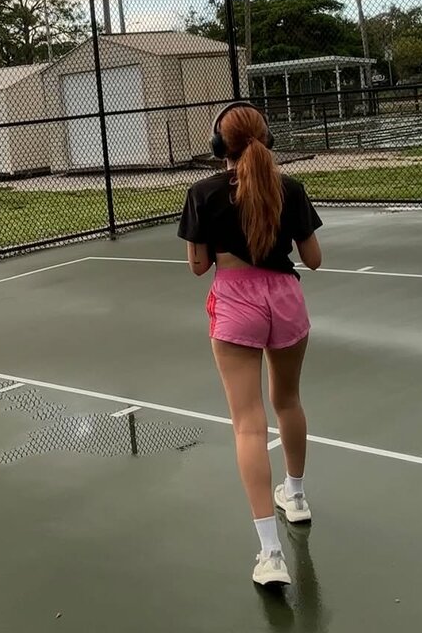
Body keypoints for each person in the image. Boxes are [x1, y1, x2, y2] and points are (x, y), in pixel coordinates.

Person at [177, 101, 323, 587]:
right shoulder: (290, 189)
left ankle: (270, 553)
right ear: (266, 138)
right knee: (289, 401)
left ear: (219, 145)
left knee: (247, 424)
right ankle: (295, 496)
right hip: (285, 299)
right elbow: (314, 259)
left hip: (235, 302)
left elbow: (199, 267)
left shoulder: (202, 193)